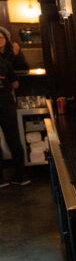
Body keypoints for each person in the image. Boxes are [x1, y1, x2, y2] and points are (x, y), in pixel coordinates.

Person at [0, 53, 30, 187]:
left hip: (6, 102)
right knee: (13, 138)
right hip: (6, 103)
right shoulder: (4, 62)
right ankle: (21, 176)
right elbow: (16, 84)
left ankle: (0, 179)